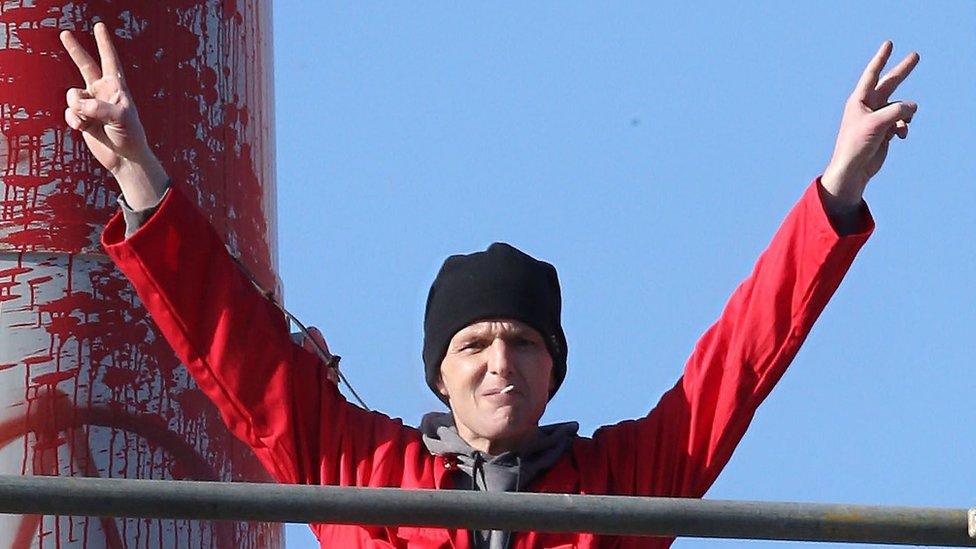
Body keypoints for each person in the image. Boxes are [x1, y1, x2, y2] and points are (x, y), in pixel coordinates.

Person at [59, 22, 918, 549]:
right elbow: (234, 344)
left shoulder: (622, 483)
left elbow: (739, 361)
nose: (499, 360)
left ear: (556, 369)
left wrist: (838, 187)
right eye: (473, 343)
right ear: (439, 372)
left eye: (523, 341)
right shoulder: (357, 469)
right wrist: (138, 168)